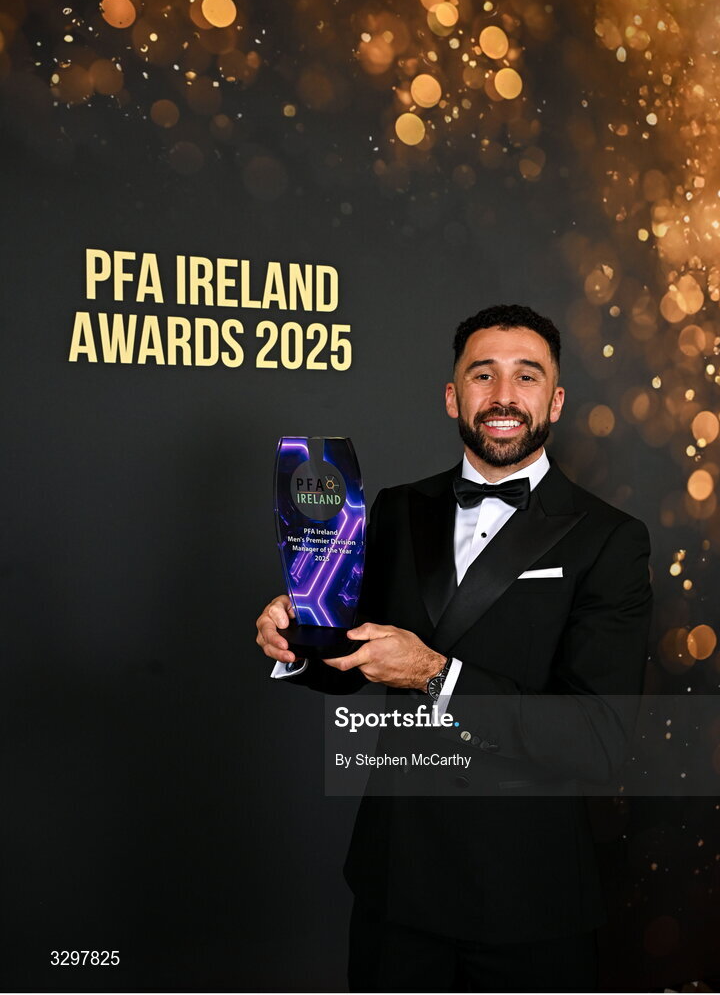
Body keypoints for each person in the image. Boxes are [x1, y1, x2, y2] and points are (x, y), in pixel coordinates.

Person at [256, 304, 652, 993]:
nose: (503, 396)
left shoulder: (609, 538)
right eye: (482, 375)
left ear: (555, 400)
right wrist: (298, 642)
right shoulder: (396, 507)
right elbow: (355, 658)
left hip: (530, 897)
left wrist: (437, 674)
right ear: (452, 396)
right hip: (397, 884)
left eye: (526, 377)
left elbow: (597, 737)